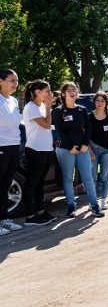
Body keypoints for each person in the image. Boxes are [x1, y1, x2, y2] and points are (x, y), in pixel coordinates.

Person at [53, 82, 104, 218]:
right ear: (63, 94)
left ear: (77, 93)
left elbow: (88, 128)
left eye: (74, 90)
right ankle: (71, 206)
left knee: (88, 178)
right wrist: (70, 146)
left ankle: (94, 206)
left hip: (83, 149)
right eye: (68, 90)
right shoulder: (58, 110)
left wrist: (85, 144)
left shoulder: (81, 109)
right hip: (66, 149)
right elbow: (60, 131)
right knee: (68, 178)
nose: (72, 92)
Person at [21, 80, 57, 226]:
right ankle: (30, 216)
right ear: (37, 91)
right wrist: (49, 107)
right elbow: (47, 125)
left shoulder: (42, 106)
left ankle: (41, 211)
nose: (50, 93)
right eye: (47, 91)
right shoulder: (31, 107)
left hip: (46, 149)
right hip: (35, 149)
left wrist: (47, 107)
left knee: (40, 183)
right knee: (31, 183)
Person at [0, 69, 23, 234]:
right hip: (1, 147)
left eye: (16, 80)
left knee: (5, 184)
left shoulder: (14, 101)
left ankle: (4, 220)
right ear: (1, 81)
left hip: (14, 146)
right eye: (12, 80)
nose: (15, 83)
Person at [89, 92, 108, 210]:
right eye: (97, 100)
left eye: (102, 100)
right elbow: (85, 135)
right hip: (92, 149)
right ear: (94, 102)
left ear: (106, 103)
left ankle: (103, 200)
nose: (100, 103)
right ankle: (92, 202)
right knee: (92, 177)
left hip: (107, 150)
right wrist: (90, 151)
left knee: (105, 176)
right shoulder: (89, 116)